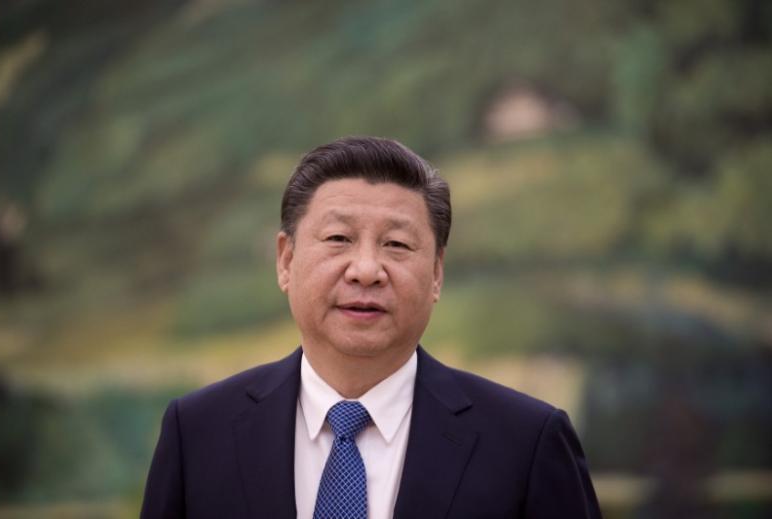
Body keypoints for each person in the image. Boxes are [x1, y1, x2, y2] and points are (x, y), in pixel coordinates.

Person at [141, 136, 602, 518]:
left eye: (397, 244)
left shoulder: (526, 443)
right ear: (286, 260)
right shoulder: (200, 432)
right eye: (339, 238)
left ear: (437, 273)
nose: (366, 270)